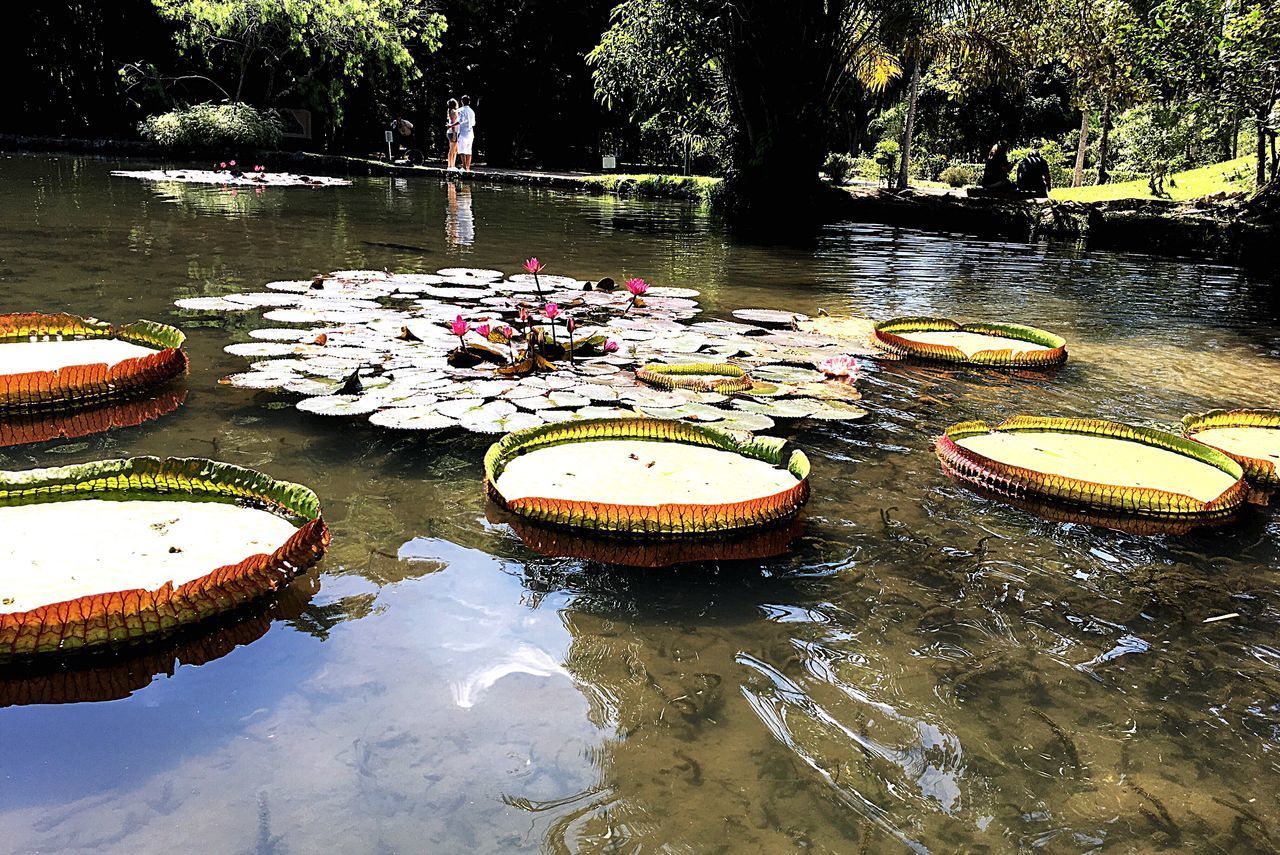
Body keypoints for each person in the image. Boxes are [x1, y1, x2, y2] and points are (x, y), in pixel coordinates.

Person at [456, 95, 477, 172]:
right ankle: (468, 167)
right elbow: (474, 123)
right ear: (469, 102)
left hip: (463, 132)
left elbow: (460, 121)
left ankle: (464, 167)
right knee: (469, 150)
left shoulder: (460, 110)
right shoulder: (472, 111)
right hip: (470, 132)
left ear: (462, 101)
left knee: (462, 150)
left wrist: (451, 125)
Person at [444, 98, 460, 170]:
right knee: (452, 149)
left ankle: (452, 165)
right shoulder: (453, 111)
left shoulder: (451, 111)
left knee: (455, 150)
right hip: (452, 132)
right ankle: (450, 165)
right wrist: (454, 133)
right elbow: (453, 123)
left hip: (453, 132)